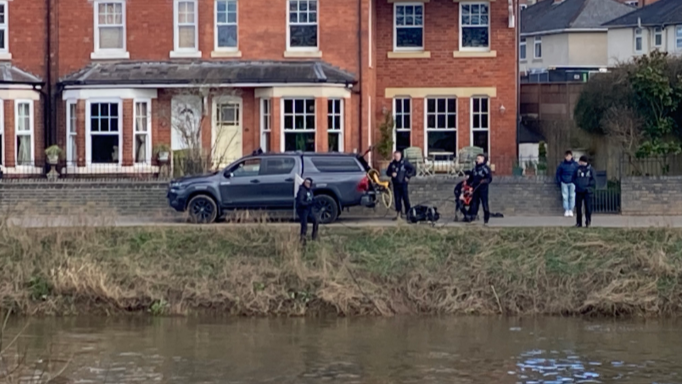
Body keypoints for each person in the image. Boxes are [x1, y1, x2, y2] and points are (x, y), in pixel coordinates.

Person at [386, 151, 415, 220]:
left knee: (405, 199)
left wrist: (408, 176)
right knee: (397, 199)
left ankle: (408, 214)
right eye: (395, 156)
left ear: (400, 156)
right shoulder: (392, 164)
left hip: (403, 183)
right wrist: (391, 174)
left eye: (398, 156)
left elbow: (413, 169)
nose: (396, 158)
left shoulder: (405, 163)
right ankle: (398, 214)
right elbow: (387, 172)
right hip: (396, 184)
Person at [467, 154, 493, 225]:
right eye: (477, 158)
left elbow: (489, 178)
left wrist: (484, 181)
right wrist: (470, 187)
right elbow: (470, 179)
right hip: (475, 188)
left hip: (483, 188)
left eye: (478, 159)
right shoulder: (474, 169)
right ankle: (472, 217)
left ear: (483, 159)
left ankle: (486, 219)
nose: (477, 160)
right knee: (474, 203)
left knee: (484, 203)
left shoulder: (486, 168)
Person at [572, 156, 595, 228]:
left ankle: (588, 222)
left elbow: (593, 180)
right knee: (578, 208)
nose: (579, 163)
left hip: (587, 191)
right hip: (578, 191)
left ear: (583, 162)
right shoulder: (577, 169)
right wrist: (577, 184)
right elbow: (573, 178)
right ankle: (579, 223)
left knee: (588, 207)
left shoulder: (591, 169)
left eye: (580, 161)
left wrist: (588, 186)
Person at [555, 150, 578, 217]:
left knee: (572, 196)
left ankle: (571, 210)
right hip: (564, 182)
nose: (568, 157)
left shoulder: (575, 165)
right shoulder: (562, 165)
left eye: (569, 156)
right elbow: (558, 174)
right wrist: (560, 181)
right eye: (567, 156)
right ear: (565, 157)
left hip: (572, 183)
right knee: (565, 197)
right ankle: (566, 209)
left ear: (571, 156)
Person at [296, 177, 319, 242]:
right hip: (302, 210)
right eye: (306, 183)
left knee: (316, 220)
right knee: (304, 225)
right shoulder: (301, 191)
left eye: (309, 183)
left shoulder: (310, 190)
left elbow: (312, 198)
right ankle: (303, 239)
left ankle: (314, 237)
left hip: (309, 209)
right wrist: (309, 203)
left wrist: (314, 202)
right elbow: (301, 202)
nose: (307, 184)